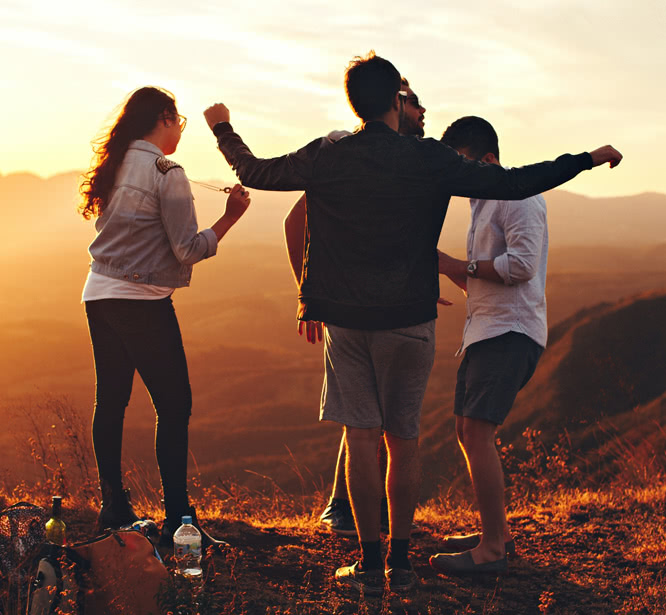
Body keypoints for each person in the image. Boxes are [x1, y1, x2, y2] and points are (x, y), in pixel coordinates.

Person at [202, 51, 621, 595]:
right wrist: (585, 158)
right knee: (405, 441)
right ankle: (401, 562)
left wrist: (223, 129)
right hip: (411, 318)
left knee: (361, 438)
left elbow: (256, 171)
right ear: (397, 102)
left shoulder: (328, 155)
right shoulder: (425, 158)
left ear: (355, 102)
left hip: (347, 320)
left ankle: (370, 565)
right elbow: (515, 182)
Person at [79, 86, 251, 549]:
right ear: (164, 118)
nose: (180, 132)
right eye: (179, 122)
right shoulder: (167, 172)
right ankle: (179, 520)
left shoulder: (116, 163)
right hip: (142, 300)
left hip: (98, 293)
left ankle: (113, 507)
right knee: (175, 406)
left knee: (111, 401)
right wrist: (231, 216)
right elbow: (188, 249)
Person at [283, 77, 427, 538]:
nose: (424, 114)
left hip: (385, 304)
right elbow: (295, 220)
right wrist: (310, 295)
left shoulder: (401, 161)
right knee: (364, 416)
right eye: (415, 103)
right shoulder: (347, 151)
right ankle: (345, 509)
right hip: (353, 308)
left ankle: (359, 515)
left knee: (371, 415)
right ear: (393, 104)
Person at [429, 116, 554, 573]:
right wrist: (447, 269)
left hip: (510, 332)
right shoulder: (482, 203)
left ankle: (492, 552)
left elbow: (520, 266)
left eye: (458, 163)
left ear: (485, 159)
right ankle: (494, 532)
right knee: (467, 431)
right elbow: (487, 277)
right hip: (486, 330)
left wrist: (460, 263)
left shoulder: (517, 196)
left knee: (478, 432)